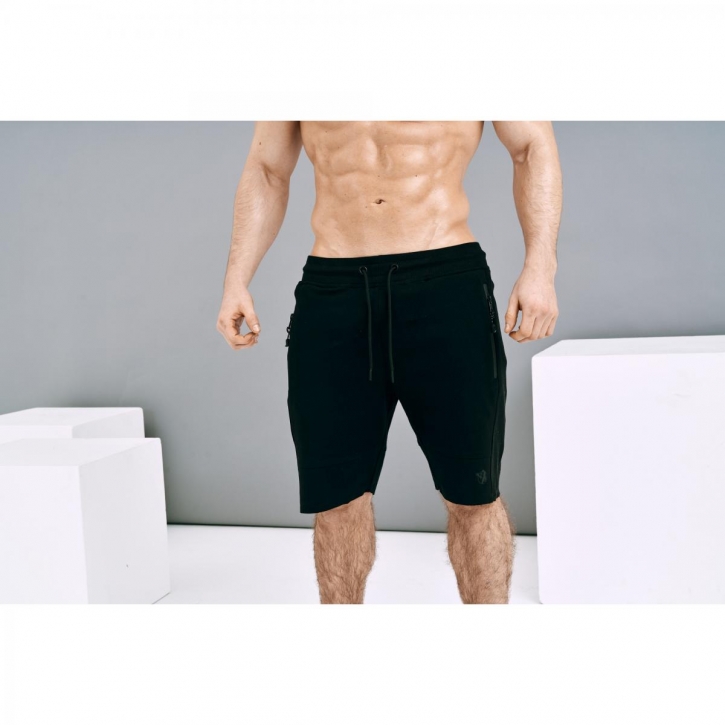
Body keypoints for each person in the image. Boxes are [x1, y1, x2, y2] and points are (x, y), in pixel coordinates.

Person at [217, 122, 562, 604]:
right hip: (334, 289)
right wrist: (236, 279)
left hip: (445, 282)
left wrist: (540, 266)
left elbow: (531, 146)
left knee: (474, 493)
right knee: (336, 499)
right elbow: (268, 170)